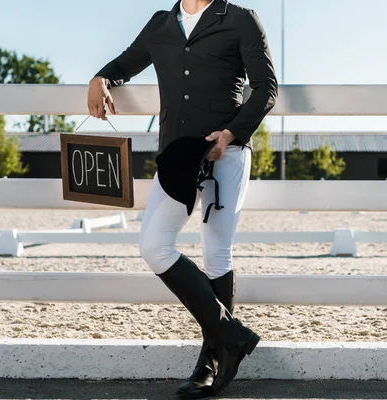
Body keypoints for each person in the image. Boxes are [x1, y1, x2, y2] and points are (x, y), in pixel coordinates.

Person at [87, 0, 277, 398]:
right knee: (154, 245)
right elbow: (126, 63)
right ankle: (232, 336)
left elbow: (266, 88)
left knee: (216, 254)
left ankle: (211, 362)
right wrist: (100, 78)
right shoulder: (161, 24)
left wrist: (231, 134)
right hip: (177, 155)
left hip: (226, 153)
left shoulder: (241, 19)